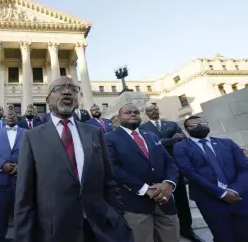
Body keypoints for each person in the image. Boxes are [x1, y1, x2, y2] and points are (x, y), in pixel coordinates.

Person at [14, 76, 133, 242]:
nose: (67, 92)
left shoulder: (94, 133)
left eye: (73, 89)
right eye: (59, 89)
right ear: (48, 100)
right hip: (54, 231)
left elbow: (109, 180)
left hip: (98, 228)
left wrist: (116, 216)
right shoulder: (31, 137)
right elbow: (24, 195)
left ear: (77, 100)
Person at [105, 103, 180, 242]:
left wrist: (169, 184)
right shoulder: (109, 138)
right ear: (119, 117)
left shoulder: (152, 136)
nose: (133, 114)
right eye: (128, 113)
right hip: (135, 205)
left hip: (165, 201)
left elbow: (169, 162)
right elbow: (113, 168)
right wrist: (145, 189)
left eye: (136, 112)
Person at [173, 116, 248, 242]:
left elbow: (244, 168)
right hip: (210, 200)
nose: (200, 126)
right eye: (194, 125)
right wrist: (222, 193)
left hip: (239, 197)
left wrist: (236, 190)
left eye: (202, 123)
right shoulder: (181, 147)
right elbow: (189, 172)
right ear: (186, 130)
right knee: (224, 237)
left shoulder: (227, 143)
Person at [139, 105, 203, 242]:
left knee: (182, 201)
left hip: (174, 168)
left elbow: (182, 140)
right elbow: (150, 144)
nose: (154, 111)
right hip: (155, 169)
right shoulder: (142, 128)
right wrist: (171, 140)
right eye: (150, 110)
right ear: (146, 113)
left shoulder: (172, 124)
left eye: (155, 109)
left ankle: (187, 229)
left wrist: (163, 141)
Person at [0, 110, 25, 241]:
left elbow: (32, 151)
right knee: (0, 212)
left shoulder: (26, 133)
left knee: (23, 212)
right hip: (1, 179)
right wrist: (2, 164)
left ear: (17, 118)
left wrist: (22, 165)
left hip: (22, 180)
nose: (11, 117)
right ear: (3, 119)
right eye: (8, 116)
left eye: (13, 115)